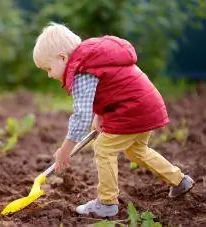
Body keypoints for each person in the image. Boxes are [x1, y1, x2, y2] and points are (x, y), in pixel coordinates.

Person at [32, 22, 195, 217]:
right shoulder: (94, 60)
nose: (49, 75)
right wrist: (100, 116)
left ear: (62, 57)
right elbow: (110, 87)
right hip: (145, 105)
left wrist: (65, 150)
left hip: (131, 110)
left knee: (104, 148)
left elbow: (81, 115)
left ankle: (107, 203)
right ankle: (179, 180)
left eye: (48, 69)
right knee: (137, 151)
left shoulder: (82, 72)